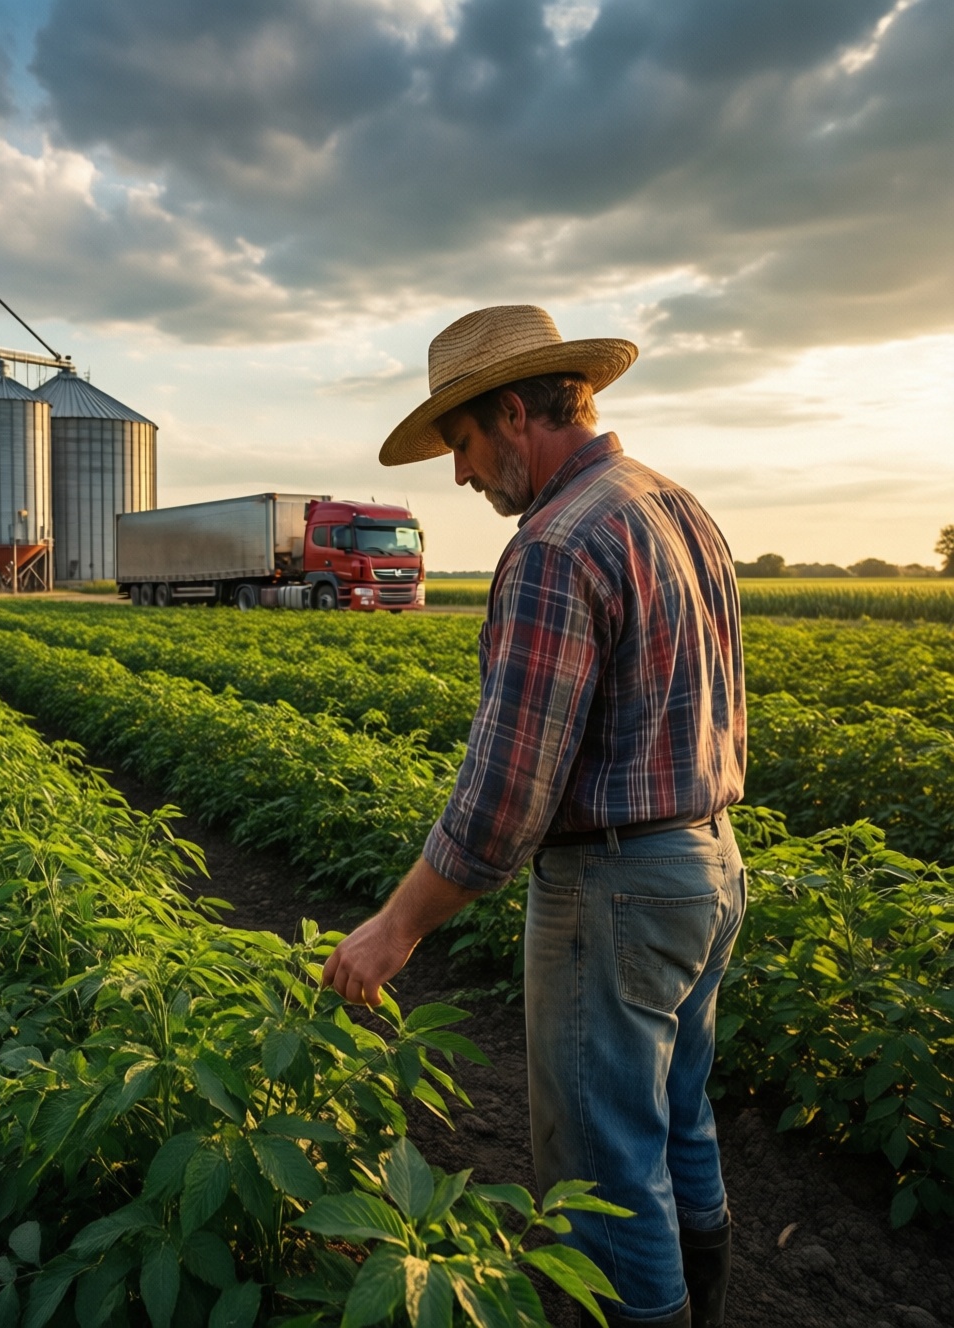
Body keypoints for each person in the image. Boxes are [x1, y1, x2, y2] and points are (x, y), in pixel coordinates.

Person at [321, 305, 746, 1328]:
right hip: (707, 868)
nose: (459, 473)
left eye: (462, 442)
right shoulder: (673, 504)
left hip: (614, 890)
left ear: (514, 412)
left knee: (602, 1170)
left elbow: (505, 798)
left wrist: (395, 927)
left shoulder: (556, 544)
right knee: (678, 1119)